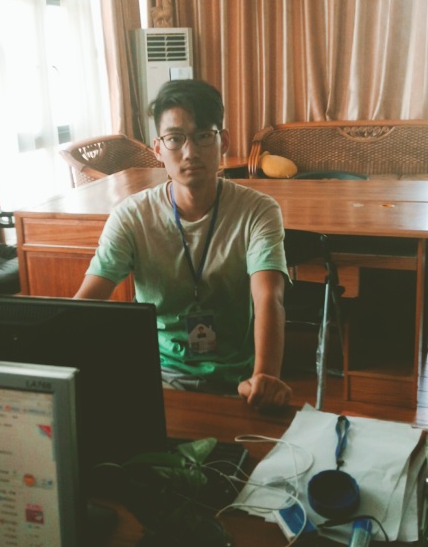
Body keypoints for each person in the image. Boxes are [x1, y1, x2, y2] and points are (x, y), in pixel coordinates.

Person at [74, 79, 291, 410]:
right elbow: (88, 302)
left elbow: (268, 297)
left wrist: (265, 376)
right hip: (157, 379)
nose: (190, 152)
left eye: (203, 135)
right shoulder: (132, 217)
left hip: (238, 382)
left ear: (223, 141)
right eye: (175, 139)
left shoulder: (258, 211)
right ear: (158, 149)